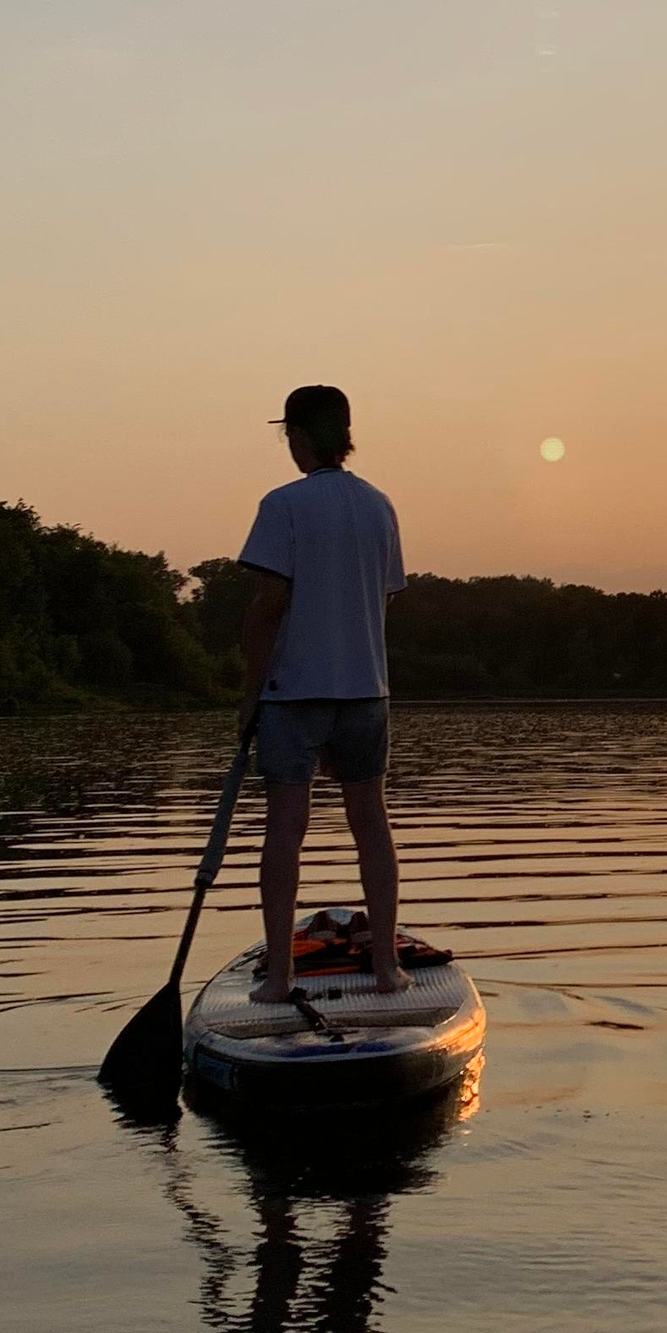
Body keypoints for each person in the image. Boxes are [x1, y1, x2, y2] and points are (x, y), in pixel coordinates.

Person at [236, 385, 410, 1002]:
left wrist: (250, 692)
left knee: (286, 829)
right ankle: (387, 968)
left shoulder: (282, 504)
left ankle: (281, 979)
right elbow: (384, 597)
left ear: (301, 437)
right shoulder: (379, 506)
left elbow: (268, 604)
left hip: (293, 693)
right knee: (371, 823)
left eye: (289, 434)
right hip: (367, 691)